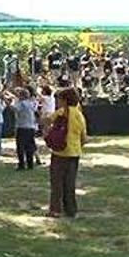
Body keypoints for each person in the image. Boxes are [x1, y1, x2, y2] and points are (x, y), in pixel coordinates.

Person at [46, 88, 87, 218]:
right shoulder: (80, 115)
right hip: (74, 153)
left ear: (64, 100)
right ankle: (71, 210)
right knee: (70, 183)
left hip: (60, 153)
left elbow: (47, 120)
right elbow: (84, 137)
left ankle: (55, 209)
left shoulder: (62, 112)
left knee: (57, 182)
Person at [9, 87, 40, 170]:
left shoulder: (21, 103)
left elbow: (14, 109)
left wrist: (9, 102)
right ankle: (30, 164)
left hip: (22, 127)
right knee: (29, 146)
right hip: (31, 127)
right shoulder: (32, 103)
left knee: (20, 147)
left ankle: (21, 164)